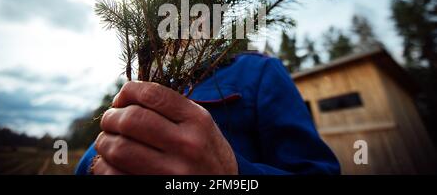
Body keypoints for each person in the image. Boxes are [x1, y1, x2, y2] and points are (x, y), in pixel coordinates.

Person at [75, 52, 340, 175]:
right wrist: (96, 164)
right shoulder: (143, 84)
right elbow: (88, 162)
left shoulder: (258, 71)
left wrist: (232, 174)